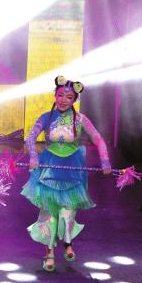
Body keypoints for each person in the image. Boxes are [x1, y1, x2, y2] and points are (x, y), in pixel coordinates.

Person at [22, 77, 111, 271]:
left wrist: (105, 160)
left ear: (74, 100)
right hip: (49, 167)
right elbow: (30, 137)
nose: (63, 100)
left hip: (72, 168)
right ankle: (49, 253)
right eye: (61, 95)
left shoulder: (80, 119)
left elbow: (97, 138)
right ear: (55, 95)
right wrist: (34, 155)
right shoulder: (46, 117)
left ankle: (68, 242)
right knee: (49, 212)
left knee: (68, 210)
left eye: (69, 97)